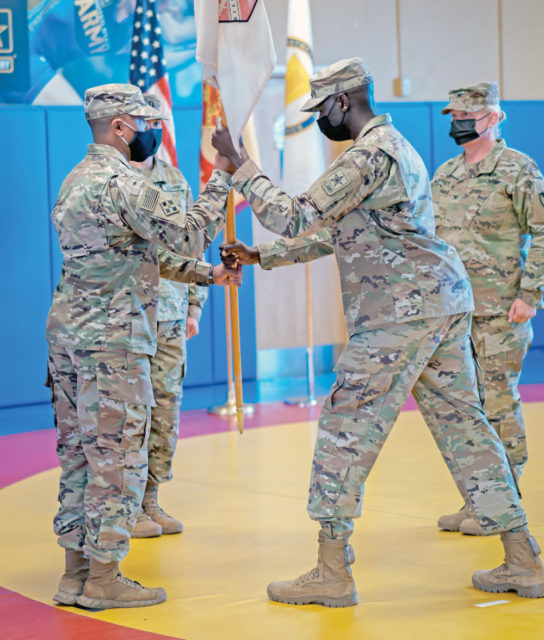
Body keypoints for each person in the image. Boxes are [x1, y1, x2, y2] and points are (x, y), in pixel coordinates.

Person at [213, 58, 544, 607]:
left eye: (322, 109)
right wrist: (261, 256)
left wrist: (242, 165)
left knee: (346, 429)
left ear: (344, 102)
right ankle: (523, 557)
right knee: (465, 423)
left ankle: (331, 571)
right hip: (438, 305)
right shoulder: (397, 148)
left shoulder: (369, 154)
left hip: (398, 314)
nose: (322, 119)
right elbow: (341, 234)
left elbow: (295, 216)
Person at [47, 83, 240, 610]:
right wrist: (222, 174)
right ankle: (105, 580)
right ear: (119, 127)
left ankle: (75, 574)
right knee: (117, 457)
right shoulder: (122, 183)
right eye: (144, 122)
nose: (151, 132)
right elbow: (189, 233)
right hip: (113, 342)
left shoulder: (73, 182)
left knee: (80, 457)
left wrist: (206, 277)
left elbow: (131, 258)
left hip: (70, 337)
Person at [431, 83, 544, 534]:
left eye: (467, 114)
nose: (458, 122)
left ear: (494, 118)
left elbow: (543, 232)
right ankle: (477, 500)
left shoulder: (518, 170)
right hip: (456, 314)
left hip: (501, 313)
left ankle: (505, 507)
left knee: (498, 406)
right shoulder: (444, 175)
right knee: (466, 414)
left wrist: (530, 296)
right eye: (453, 114)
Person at [130, 93, 210, 538]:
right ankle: (126, 504)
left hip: (172, 315)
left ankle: (151, 498)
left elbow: (191, 246)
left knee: (165, 410)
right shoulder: (114, 179)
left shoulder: (175, 179)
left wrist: (194, 305)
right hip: (127, 318)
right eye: (146, 122)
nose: (154, 130)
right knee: (130, 415)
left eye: (159, 122)